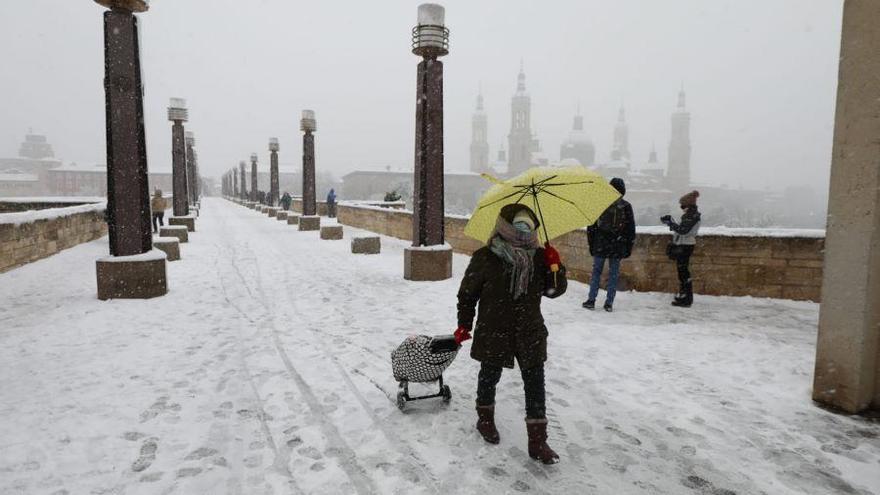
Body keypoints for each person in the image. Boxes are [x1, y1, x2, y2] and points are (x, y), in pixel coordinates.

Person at [455, 204, 567, 464]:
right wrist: (464, 324)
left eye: (528, 226)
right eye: (518, 225)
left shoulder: (540, 257)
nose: (523, 231)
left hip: (530, 330)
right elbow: (467, 294)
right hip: (495, 328)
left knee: (535, 383)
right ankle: (485, 419)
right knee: (489, 375)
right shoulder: (486, 256)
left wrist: (555, 266)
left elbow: (555, 291)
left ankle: (538, 441)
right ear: (504, 226)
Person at [584, 178, 636, 312]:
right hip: (617, 246)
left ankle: (591, 300)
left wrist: (592, 245)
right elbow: (630, 230)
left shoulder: (600, 205)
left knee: (596, 273)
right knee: (613, 274)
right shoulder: (626, 206)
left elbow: (591, 228)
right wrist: (627, 248)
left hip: (601, 244)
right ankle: (609, 303)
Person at [661, 190, 701, 307]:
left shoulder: (691, 216)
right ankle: (683, 296)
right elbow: (682, 229)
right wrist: (671, 222)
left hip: (686, 246)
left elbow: (683, 231)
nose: (682, 208)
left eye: (683, 205)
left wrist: (670, 223)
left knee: (683, 272)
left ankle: (686, 298)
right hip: (685, 245)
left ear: (688, 205)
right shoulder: (690, 215)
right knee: (682, 272)